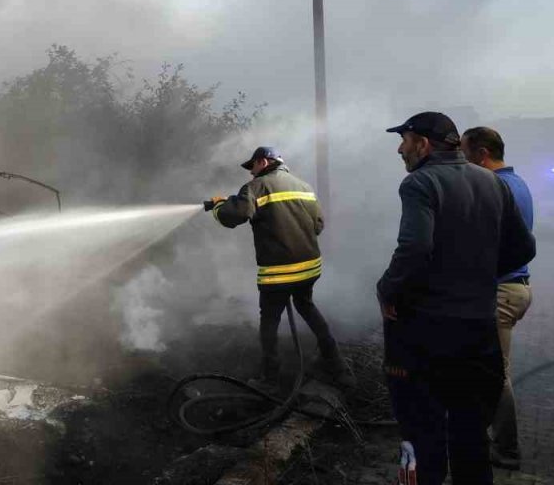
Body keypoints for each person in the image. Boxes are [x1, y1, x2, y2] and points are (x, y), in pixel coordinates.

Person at [379, 112, 536, 485]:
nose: (400, 150)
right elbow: (523, 248)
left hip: (428, 333)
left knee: (420, 435)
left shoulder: (420, 182)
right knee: (471, 436)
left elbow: (415, 248)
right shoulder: (492, 182)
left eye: (404, 141)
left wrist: (387, 288)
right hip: (479, 332)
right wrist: (477, 276)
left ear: (423, 144)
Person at [207, 146, 352, 392]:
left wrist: (219, 205)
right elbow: (318, 225)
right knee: (307, 307)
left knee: (270, 321)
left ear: (264, 162)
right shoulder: (304, 187)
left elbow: (231, 217)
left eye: (252, 166)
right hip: (309, 269)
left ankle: (269, 379)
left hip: (278, 274)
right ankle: (337, 366)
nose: (251, 172)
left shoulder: (256, 187)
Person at [461, 126, 534, 470]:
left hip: (501, 290)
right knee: (488, 370)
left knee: (496, 375)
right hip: (515, 287)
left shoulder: (495, 187)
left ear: (482, 154)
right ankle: (482, 434)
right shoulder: (518, 183)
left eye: (465, 154)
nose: (462, 161)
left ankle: (506, 449)